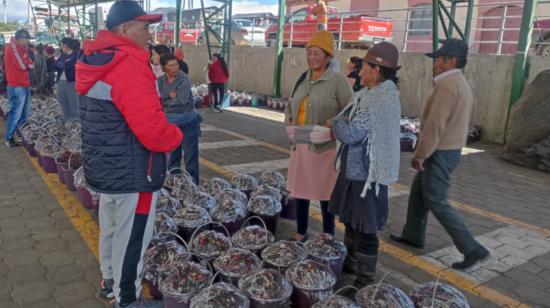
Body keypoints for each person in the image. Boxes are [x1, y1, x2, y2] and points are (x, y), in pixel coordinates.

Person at [75, 1, 183, 307]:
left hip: (107, 166)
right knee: (131, 238)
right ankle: (127, 299)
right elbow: (152, 130)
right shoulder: (128, 64)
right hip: (135, 169)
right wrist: (176, 135)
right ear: (124, 30)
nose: (150, 33)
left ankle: (109, 284)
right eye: (144, 26)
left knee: (110, 229)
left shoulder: (98, 59)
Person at [390, 39, 489, 270]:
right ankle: (413, 235)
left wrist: (421, 155)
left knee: (436, 200)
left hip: (440, 151)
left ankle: (472, 248)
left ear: (452, 61)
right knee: (418, 194)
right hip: (446, 150)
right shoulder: (458, 83)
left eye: (439, 59)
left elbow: (435, 125)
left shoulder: (448, 85)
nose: (435, 64)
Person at [329, 42, 401, 289]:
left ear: (377, 71)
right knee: (351, 220)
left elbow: (350, 134)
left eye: (364, 67)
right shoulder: (374, 95)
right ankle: (350, 263)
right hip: (358, 172)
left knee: (366, 229)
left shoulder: (378, 100)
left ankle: (365, 280)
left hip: (367, 177)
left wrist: (336, 123)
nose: (359, 72)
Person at [285, 31, 353, 242]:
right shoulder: (302, 78)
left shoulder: (337, 81)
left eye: (316, 53)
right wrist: (289, 118)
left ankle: (328, 234)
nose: (311, 58)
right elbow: (291, 102)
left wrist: (331, 123)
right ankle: (301, 231)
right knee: (301, 189)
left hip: (325, 145)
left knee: (326, 192)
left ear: (328, 56)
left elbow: (350, 109)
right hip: (302, 141)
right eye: (309, 53)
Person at [157, 53, 202, 183]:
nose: (175, 68)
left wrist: (165, 100)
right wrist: (170, 96)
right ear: (164, 67)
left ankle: (194, 186)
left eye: (176, 64)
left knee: (190, 157)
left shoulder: (184, 79)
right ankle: (174, 184)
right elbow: (157, 98)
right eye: (170, 65)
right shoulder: (160, 80)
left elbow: (181, 100)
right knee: (173, 158)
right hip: (170, 125)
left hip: (188, 123)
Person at [4, 29, 33, 147]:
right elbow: (22, 65)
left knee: (25, 114)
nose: (26, 41)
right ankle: (9, 137)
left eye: (27, 39)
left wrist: (27, 63)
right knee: (15, 113)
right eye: (24, 39)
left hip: (24, 84)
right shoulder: (12, 48)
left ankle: (21, 135)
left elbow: (31, 63)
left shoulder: (23, 48)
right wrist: (27, 63)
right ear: (19, 39)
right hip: (16, 85)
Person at [55, 37, 80, 123]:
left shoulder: (77, 54)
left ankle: (76, 128)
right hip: (61, 82)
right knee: (64, 105)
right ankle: (67, 125)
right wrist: (64, 63)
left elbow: (68, 65)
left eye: (61, 46)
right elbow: (55, 65)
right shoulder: (63, 55)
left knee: (74, 105)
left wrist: (63, 64)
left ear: (65, 45)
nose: (61, 48)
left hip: (72, 82)